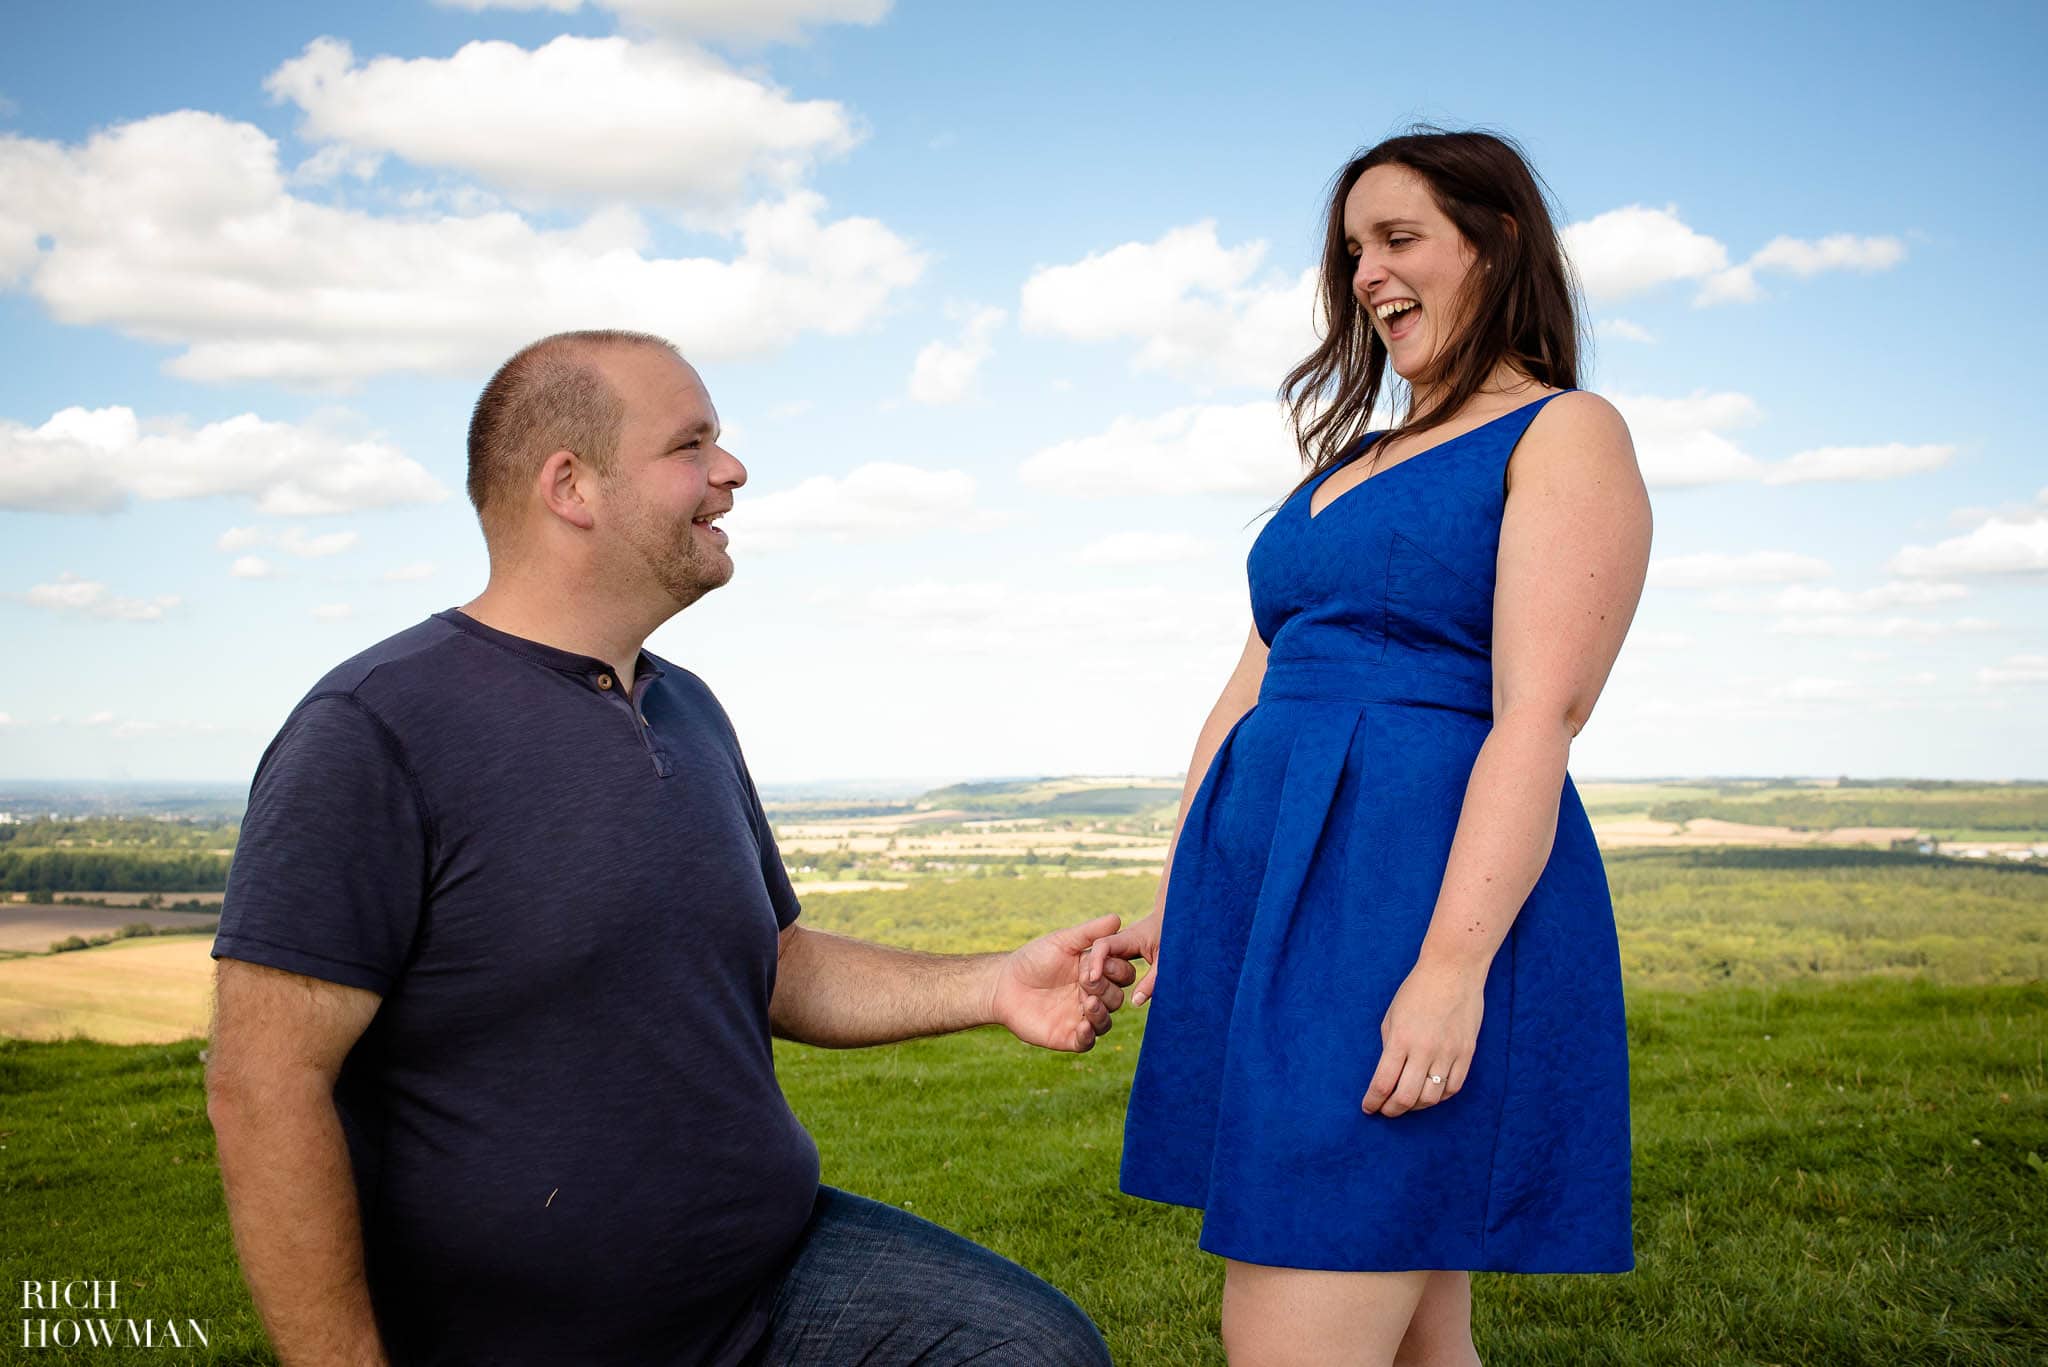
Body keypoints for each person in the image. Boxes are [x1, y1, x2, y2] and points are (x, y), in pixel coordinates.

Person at [204, 329, 1130, 1367]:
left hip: (767, 1276)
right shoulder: (374, 727)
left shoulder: (685, 705)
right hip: (529, 1333)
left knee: (1038, 1350)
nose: (731, 470)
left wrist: (995, 982)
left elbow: (776, 962)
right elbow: (263, 1086)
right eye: (691, 444)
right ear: (571, 486)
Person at [1084, 128, 1652, 1364]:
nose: (1365, 275)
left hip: (1406, 902)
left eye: (1398, 238)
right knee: (1416, 1337)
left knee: (1309, 1284)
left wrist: (1449, 967)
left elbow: (1537, 717)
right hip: (1276, 913)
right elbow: (1244, 695)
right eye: (1352, 251)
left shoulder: (1562, 431)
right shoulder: (1349, 461)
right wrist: (1185, 901)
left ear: (1495, 242)